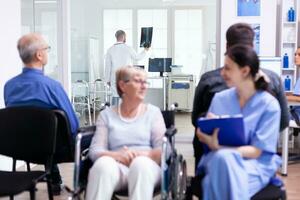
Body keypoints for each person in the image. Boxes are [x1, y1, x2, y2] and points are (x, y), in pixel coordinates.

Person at [191, 23, 289, 169]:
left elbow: (196, 120)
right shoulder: (273, 79)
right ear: (252, 48)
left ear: (226, 47)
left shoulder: (208, 80)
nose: (225, 75)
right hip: (237, 158)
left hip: (225, 156)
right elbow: (283, 122)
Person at [196, 44, 281, 200]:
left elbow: (257, 151)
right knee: (222, 163)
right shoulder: (220, 99)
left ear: (245, 71)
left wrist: (220, 148)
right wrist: (204, 134)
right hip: (218, 160)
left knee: (218, 174)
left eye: (228, 68)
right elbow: (205, 132)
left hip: (254, 164)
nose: (222, 73)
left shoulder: (269, 105)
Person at [4, 33, 79, 195]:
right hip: (56, 151)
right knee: (84, 138)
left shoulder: (9, 87)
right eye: (47, 48)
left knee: (42, 132)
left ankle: (54, 178)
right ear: (39, 55)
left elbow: (14, 119)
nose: (47, 52)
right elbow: (73, 126)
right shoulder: (52, 86)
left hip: (20, 149)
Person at [86, 66, 165, 200]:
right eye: (138, 81)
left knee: (140, 164)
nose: (144, 86)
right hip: (116, 167)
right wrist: (118, 155)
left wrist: (140, 155)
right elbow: (95, 151)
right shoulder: (106, 115)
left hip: (148, 167)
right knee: (102, 165)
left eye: (145, 82)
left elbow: (163, 150)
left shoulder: (153, 113)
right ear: (122, 85)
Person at [105, 30, 149, 105]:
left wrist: (107, 80)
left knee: (115, 96)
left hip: (114, 77)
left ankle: (114, 115)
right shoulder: (128, 48)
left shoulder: (110, 50)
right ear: (124, 37)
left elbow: (107, 66)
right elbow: (138, 57)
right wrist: (145, 50)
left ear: (116, 37)